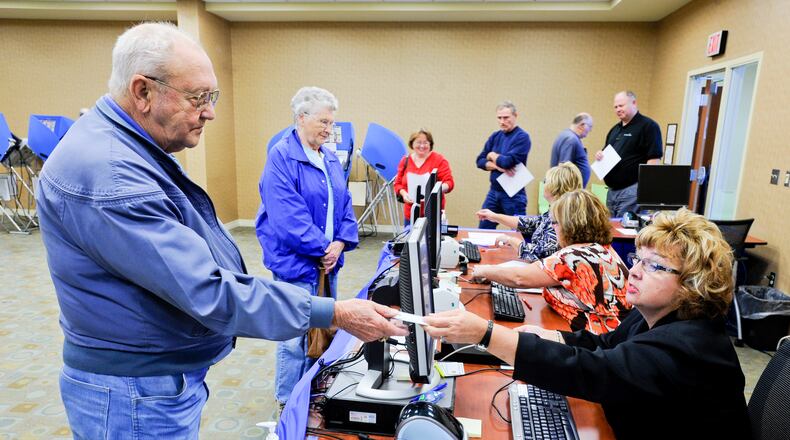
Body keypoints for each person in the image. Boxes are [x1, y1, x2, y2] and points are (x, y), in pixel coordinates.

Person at [35, 23, 406, 438]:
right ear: (143, 92)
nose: (209, 111)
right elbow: (207, 290)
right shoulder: (112, 174)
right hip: (133, 392)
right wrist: (333, 311)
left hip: (149, 377)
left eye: (212, 97)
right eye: (199, 98)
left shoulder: (128, 149)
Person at [424, 209, 751, 439]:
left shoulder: (689, 347)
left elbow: (597, 370)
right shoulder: (651, 315)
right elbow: (606, 346)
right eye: (639, 259)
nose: (634, 270)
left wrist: (486, 333)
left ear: (692, 283)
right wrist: (548, 334)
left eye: (654, 266)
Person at [255, 86, 360, 406]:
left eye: (332, 124)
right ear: (301, 118)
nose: (330, 130)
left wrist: (340, 242)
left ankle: (311, 390)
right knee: (293, 337)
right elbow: (288, 218)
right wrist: (323, 249)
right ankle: (288, 400)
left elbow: (344, 203)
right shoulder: (282, 157)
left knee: (321, 329)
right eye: (324, 123)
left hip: (327, 261)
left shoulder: (328, 157)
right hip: (296, 262)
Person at [473, 189, 630, 333]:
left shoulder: (574, 256)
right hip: (614, 336)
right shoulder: (604, 249)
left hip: (599, 340)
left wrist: (482, 270)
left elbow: (519, 278)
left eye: (555, 223)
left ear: (570, 225)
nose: (553, 228)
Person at [475, 162, 583, 262]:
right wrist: (494, 216)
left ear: (555, 187)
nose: (544, 184)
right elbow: (530, 223)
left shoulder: (561, 218)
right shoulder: (557, 210)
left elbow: (538, 254)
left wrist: (510, 240)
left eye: (546, 181)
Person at [594, 91, 663, 217]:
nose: (618, 109)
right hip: (612, 191)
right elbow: (606, 152)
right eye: (615, 107)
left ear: (634, 103)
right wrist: (600, 154)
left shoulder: (648, 126)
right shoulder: (615, 129)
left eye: (621, 105)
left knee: (626, 231)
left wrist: (644, 189)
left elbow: (654, 159)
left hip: (632, 191)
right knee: (611, 230)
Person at [475, 101, 532, 229]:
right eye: (499, 118)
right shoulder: (495, 136)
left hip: (513, 194)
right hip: (494, 192)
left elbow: (507, 162)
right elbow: (479, 161)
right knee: (483, 228)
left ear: (515, 115)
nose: (502, 121)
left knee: (520, 231)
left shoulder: (522, 137)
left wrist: (491, 155)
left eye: (506, 117)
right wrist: (497, 166)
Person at [393, 129, 454, 226]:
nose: (422, 146)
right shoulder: (405, 161)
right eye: (418, 142)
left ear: (430, 145)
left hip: (432, 212)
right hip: (411, 212)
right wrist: (404, 194)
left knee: (431, 240)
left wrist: (435, 190)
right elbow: (398, 184)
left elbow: (449, 183)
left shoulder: (439, 160)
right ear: (412, 144)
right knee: (410, 239)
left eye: (425, 143)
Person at [550, 113, 593, 187]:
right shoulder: (571, 139)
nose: (590, 130)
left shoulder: (567, 135)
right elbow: (564, 169)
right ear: (582, 125)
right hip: (568, 191)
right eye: (590, 126)